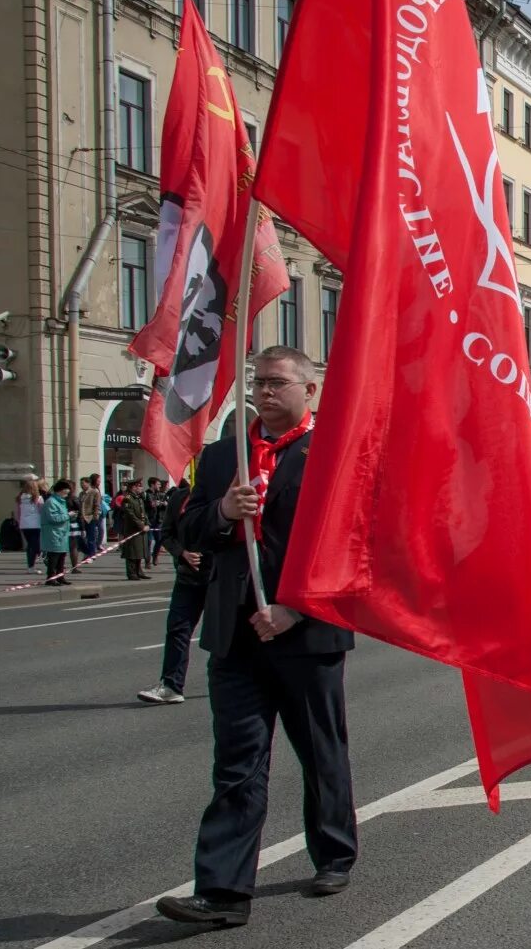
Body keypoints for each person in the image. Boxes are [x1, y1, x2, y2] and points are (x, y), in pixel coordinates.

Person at [155, 346, 356, 928]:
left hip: (305, 635)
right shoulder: (223, 456)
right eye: (258, 384)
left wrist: (297, 611)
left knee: (320, 752)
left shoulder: (334, 452)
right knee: (237, 764)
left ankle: (334, 853)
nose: (265, 393)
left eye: (277, 383)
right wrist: (220, 511)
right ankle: (222, 892)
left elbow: (350, 548)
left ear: (308, 391)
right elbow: (187, 529)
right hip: (235, 634)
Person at [137, 478, 212, 704]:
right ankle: (171, 685)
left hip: (219, 577)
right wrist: (183, 553)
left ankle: (243, 683)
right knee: (177, 629)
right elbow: (167, 534)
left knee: (228, 634)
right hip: (188, 577)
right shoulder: (179, 496)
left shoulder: (223, 493)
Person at [40, 480, 73, 588]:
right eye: (65, 493)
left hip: (61, 533)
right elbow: (53, 518)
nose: (66, 495)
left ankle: (60, 577)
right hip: (53, 533)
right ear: (59, 491)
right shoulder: (51, 502)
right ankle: (50, 578)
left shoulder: (60, 501)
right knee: (54, 557)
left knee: (61, 557)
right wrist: (68, 515)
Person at [119, 479, 150, 580]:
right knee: (132, 552)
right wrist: (141, 526)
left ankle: (138, 571)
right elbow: (130, 515)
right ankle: (131, 572)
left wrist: (148, 524)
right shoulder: (128, 499)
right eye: (139, 486)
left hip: (141, 530)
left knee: (139, 551)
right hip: (132, 529)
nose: (141, 488)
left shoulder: (139, 498)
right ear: (133, 487)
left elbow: (143, 513)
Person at [14, 477, 43, 573]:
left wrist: (19, 522)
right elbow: (41, 511)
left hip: (24, 524)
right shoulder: (38, 498)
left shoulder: (20, 498)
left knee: (30, 546)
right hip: (36, 524)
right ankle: (43, 561)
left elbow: (18, 513)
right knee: (36, 546)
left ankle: (30, 566)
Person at [79, 474, 103, 560]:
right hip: (82, 517)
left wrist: (95, 516)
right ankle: (87, 552)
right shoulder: (81, 493)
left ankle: (91, 554)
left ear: (88, 483)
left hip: (90, 517)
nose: (81, 485)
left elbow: (97, 505)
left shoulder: (94, 492)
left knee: (91, 537)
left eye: (83, 483)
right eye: (80, 483)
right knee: (81, 538)